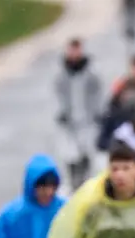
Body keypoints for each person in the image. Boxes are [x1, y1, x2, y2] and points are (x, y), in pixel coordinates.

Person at [54, 38, 104, 189]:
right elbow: (57, 97)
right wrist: (61, 113)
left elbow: (98, 95)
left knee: (88, 158)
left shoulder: (92, 74)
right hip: (69, 124)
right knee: (70, 158)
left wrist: (97, 113)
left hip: (88, 123)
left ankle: (86, 186)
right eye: (71, 50)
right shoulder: (61, 76)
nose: (74, 54)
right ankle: (74, 186)